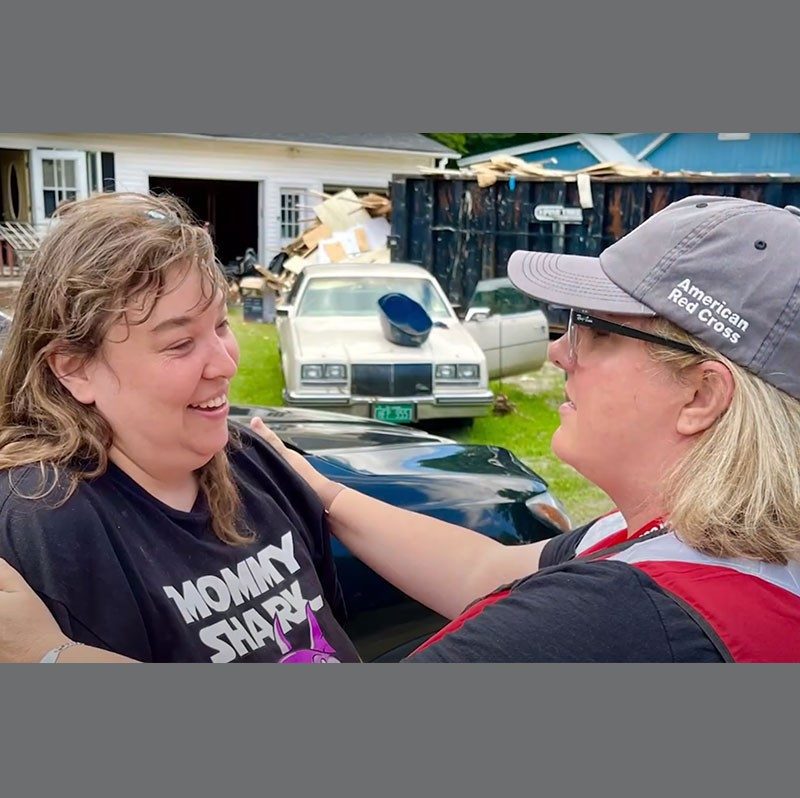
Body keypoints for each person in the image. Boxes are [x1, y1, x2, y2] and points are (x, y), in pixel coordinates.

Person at [1, 194, 800, 662]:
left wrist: (50, 661)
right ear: (71, 366)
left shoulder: (616, 623)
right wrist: (323, 491)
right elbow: (491, 571)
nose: (559, 350)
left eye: (593, 329)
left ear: (701, 396)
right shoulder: (703, 544)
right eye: (182, 340)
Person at [0, 192, 359, 664]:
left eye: (221, 326)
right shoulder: (50, 520)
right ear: (75, 369)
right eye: (180, 343)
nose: (225, 363)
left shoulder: (251, 459)